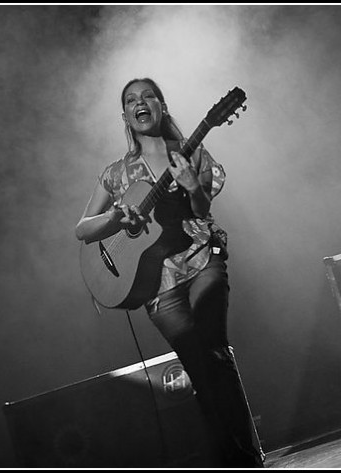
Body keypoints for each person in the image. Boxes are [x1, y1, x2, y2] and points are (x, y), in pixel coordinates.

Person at [75, 78, 264, 467]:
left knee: (213, 348)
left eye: (148, 96)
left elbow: (201, 210)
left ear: (161, 106)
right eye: (131, 100)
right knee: (199, 368)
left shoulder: (188, 152)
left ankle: (245, 459)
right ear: (125, 115)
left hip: (202, 258)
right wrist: (115, 216)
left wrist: (194, 186)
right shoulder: (115, 173)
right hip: (157, 286)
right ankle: (233, 459)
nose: (140, 103)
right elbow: (82, 228)